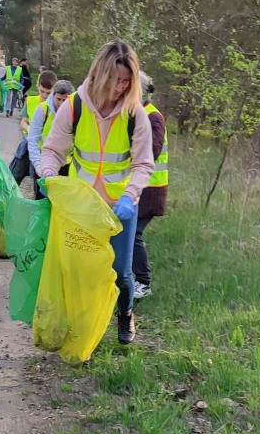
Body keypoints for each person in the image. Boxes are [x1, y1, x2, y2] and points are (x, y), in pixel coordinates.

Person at [37, 40, 154, 344]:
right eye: (114, 80)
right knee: (78, 270)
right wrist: (49, 176)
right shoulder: (75, 106)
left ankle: (125, 313)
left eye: (126, 81)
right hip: (81, 207)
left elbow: (143, 164)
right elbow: (52, 151)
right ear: (99, 73)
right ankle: (83, 326)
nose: (119, 88)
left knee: (121, 272)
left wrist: (130, 197)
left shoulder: (135, 114)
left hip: (120, 207)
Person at [132, 71, 167, 300]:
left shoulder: (153, 117)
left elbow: (151, 153)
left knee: (134, 233)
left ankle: (144, 282)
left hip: (151, 190)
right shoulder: (137, 114)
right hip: (139, 188)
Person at [26, 76, 74, 196]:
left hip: (68, 167)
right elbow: (32, 139)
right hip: (45, 163)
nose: (61, 104)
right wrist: (38, 165)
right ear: (53, 96)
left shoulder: (76, 112)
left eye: (65, 100)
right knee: (41, 202)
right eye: (58, 99)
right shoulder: (42, 110)